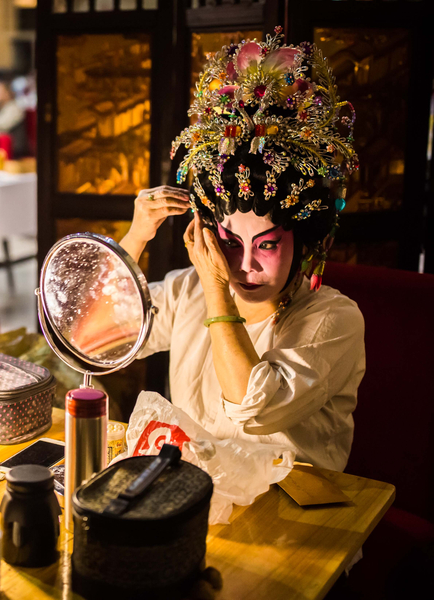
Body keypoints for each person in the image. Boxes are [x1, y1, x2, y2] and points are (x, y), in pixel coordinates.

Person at [119, 30, 364, 472]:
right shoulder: (187, 291)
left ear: (302, 242)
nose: (245, 266)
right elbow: (97, 338)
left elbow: (255, 408)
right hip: (197, 508)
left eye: (266, 245)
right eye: (230, 244)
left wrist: (216, 290)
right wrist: (136, 237)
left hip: (296, 525)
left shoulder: (333, 321)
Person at [0, 73, 29, 158]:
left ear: (7, 92)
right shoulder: (3, 107)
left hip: (15, 150)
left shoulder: (15, 108)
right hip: (2, 147)